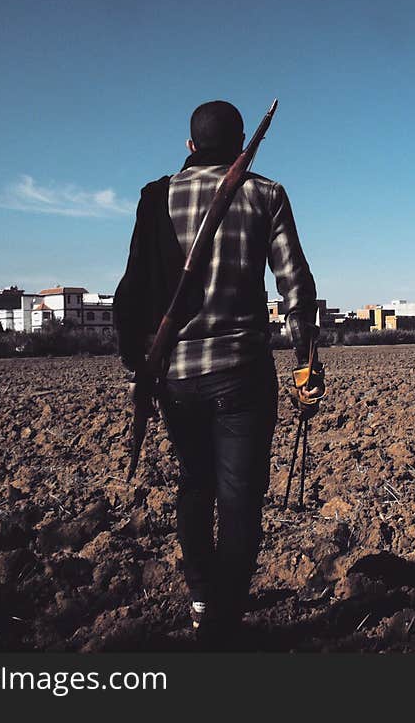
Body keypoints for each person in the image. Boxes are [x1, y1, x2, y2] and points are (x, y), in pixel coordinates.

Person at [113, 100, 324, 647]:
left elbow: (133, 287)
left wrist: (140, 364)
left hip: (175, 378)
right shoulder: (267, 194)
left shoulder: (155, 197)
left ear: (189, 147)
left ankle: (202, 597)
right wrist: (304, 363)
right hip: (242, 374)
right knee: (239, 499)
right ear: (241, 147)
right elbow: (296, 287)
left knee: (195, 485)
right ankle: (225, 617)